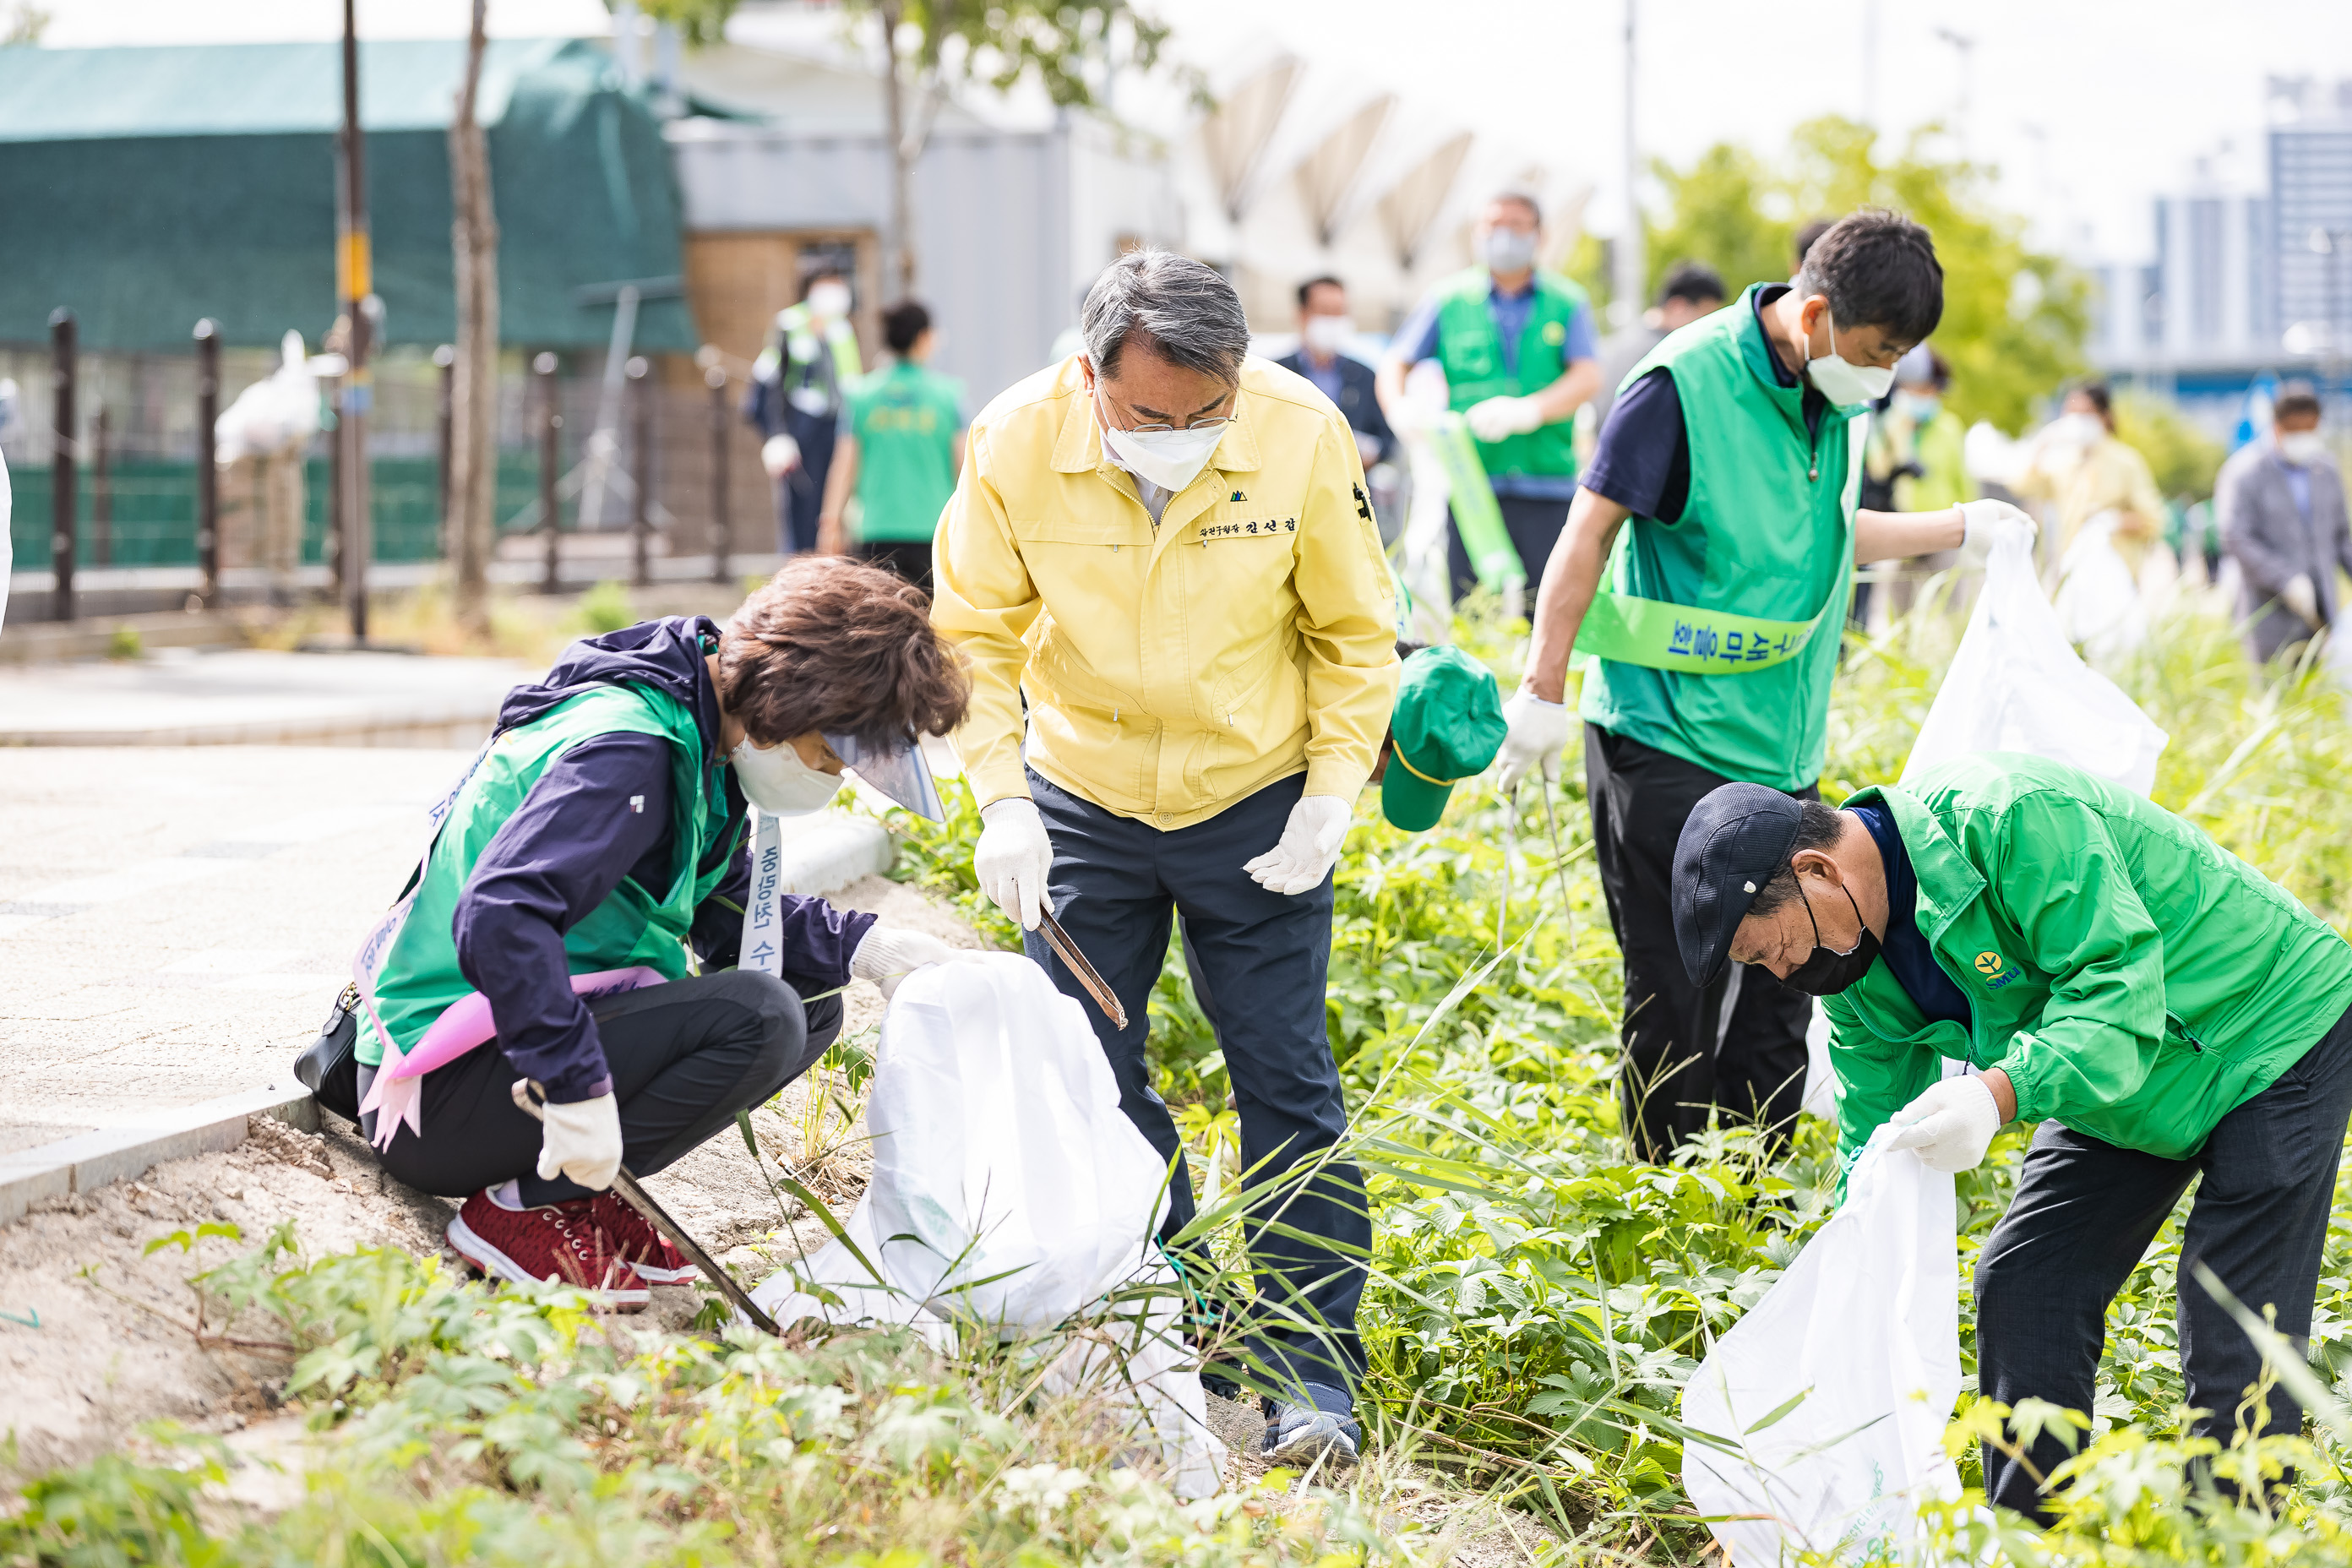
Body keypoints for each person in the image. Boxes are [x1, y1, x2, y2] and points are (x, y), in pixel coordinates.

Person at [930, 248, 1399, 1465]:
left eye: (1209, 413)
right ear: (1090, 377)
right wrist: (1000, 803)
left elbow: (1355, 633)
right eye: (1151, 415)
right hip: (1080, 802)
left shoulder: (1301, 431)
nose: (1182, 435)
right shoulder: (1014, 443)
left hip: (1256, 800)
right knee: (1087, 1066)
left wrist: (1332, 794)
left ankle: (1313, 1377)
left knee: (1288, 1085)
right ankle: (1184, 1312)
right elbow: (972, 634)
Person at [1671, 755, 2352, 1524]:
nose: (1783, 971)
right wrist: (1855, 1247)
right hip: (2120, 1075)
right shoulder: (1850, 972)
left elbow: (2120, 987)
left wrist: (1999, 1093)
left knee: (2233, 1311)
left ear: (1816, 868)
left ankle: (2227, 1541)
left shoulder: (2010, 819)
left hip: (2271, 1028)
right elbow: (1869, 1137)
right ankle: (2036, 1538)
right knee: (2028, 1280)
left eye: (1771, 948)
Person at [1493, 208, 2037, 1163]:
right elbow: (1588, 531)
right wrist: (1541, 686)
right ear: (1816, 311)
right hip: (1665, 739)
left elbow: (1822, 533)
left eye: (1898, 359)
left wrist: (1956, 526)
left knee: (1799, 979)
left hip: (1780, 751)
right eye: (1875, 351)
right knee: (1679, 990)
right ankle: (1667, 1216)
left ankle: (1758, 1208)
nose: (1883, 376)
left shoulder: (1839, 398)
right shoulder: (1680, 386)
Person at [357, 559, 974, 1308]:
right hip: (432, 1095)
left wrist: (870, 947)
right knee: (763, 1016)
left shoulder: (699, 731)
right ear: (790, 702)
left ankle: (574, 1194)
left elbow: (728, 908)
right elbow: (500, 914)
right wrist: (573, 1084)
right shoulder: (632, 751)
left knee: (809, 1004)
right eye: (830, 758)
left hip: (495, 1059)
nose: (833, 780)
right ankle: (523, 1207)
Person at [1376, 188, 1602, 600]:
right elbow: (1396, 362)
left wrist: (1532, 410)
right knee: (1470, 609)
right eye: (1493, 226)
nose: (1504, 236)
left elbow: (1587, 376)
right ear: (1477, 233)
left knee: (1548, 605)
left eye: (1516, 226)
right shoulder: (1449, 299)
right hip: (1470, 485)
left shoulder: (1567, 301)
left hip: (1545, 482)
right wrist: (1398, 408)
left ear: (1540, 235)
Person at [816, 300, 966, 591]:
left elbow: (844, 467)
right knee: (930, 626)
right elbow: (964, 468)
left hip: (875, 531)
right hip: (934, 532)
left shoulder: (861, 395)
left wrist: (830, 523)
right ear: (923, 337)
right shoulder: (949, 397)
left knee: (878, 627)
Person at [2219, 382, 2350, 663]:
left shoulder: (2326, 470)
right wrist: (2285, 578)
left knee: (2323, 696)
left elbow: (2341, 536)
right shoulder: (2247, 472)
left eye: (2310, 429)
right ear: (2278, 427)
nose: (2303, 437)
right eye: (2295, 430)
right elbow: (2236, 537)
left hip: (2322, 612)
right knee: (2276, 693)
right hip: (2268, 613)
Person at [745, 267, 863, 556]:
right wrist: (778, 435)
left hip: (837, 430)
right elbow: (769, 384)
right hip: (802, 431)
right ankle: (800, 574)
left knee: (835, 508)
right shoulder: (789, 324)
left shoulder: (841, 329)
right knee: (803, 509)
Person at [2014, 380, 2167, 574]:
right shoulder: (2063, 461)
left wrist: (2114, 522)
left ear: (2104, 417)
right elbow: (2022, 485)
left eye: (2085, 413)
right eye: (2071, 413)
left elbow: (2153, 521)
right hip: (2071, 571)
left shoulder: (2127, 462)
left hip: (2116, 574)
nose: (2076, 420)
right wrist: (2041, 444)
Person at [1875, 345, 1974, 620]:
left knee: (1949, 608)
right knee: (1898, 610)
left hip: (1942, 528)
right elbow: (1879, 469)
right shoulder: (1890, 424)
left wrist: (1967, 525)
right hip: (1899, 525)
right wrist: (1900, 433)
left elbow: (1962, 481)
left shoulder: (1949, 427)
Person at [1275, 275, 1396, 472]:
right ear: (1302, 315)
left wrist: (1371, 453)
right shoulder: (1277, 374)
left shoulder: (1365, 376)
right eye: (1324, 312)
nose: (1333, 321)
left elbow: (1386, 437)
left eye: (1339, 312)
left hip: (1351, 489)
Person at [1593, 262, 1726, 426]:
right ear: (1678, 307)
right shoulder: (1666, 355)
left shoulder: (1622, 342)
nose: (1707, 329)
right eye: (1704, 316)